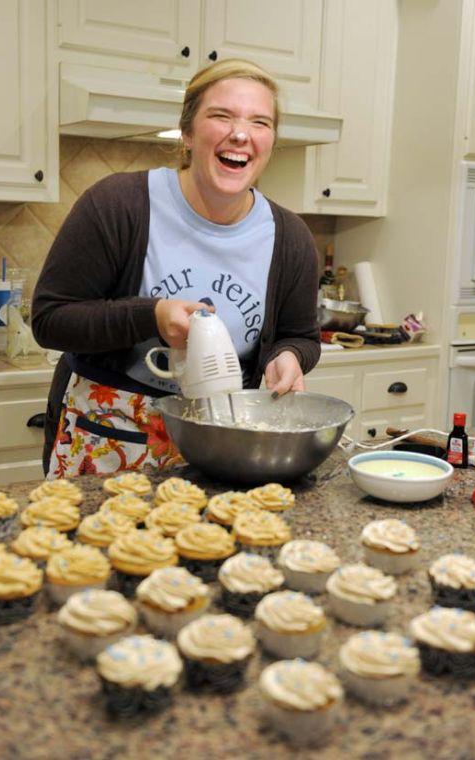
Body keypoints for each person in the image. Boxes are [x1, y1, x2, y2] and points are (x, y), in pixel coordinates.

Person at [32, 58, 320, 479]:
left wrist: (289, 356)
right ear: (187, 133)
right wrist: (150, 315)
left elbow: (301, 336)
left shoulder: (289, 237)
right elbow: (50, 319)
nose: (241, 133)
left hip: (220, 443)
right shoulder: (118, 205)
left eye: (260, 122)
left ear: (271, 141)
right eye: (221, 116)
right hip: (106, 441)